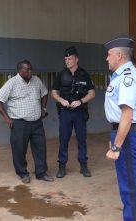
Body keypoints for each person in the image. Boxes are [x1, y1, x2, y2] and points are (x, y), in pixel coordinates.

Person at [104, 35, 136, 221]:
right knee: (127, 183)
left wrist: (117, 145)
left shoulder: (127, 77)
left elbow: (127, 115)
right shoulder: (121, 76)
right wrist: (115, 136)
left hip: (129, 135)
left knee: (129, 185)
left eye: (109, 55)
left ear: (119, 56)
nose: (107, 58)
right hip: (124, 133)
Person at [0, 59, 54, 184]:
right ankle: (22, 173)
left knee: (40, 148)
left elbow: (45, 93)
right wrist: (6, 117)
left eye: (31, 69)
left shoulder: (36, 80)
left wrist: (43, 108)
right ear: (20, 71)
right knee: (19, 149)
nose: (31, 71)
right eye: (28, 69)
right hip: (19, 123)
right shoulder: (12, 83)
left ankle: (41, 173)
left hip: (37, 122)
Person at [51, 46, 95, 178]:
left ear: (77, 59)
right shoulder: (61, 74)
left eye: (70, 59)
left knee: (82, 139)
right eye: (66, 59)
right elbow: (53, 92)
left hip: (80, 112)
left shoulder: (84, 74)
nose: (67, 61)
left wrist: (81, 101)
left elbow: (92, 93)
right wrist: (61, 100)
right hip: (65, 112)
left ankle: (83, 166)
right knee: (63, 139)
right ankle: (62, 166)